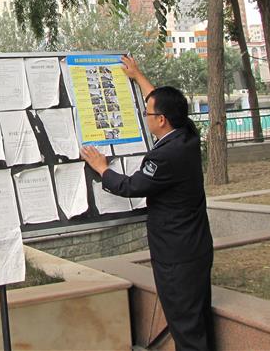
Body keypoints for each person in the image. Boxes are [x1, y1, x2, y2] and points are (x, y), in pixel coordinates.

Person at [80, 56, 214, 351]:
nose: (145, 115)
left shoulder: (164, 156)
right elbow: (162, 104)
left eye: (147, 113)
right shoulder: (188, 135)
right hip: (196, 247)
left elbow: (132, 186)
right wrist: (138, 76)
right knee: (198, 318)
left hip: (176, 255)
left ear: (161, 120)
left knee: (186, 326)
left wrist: (103, 168)